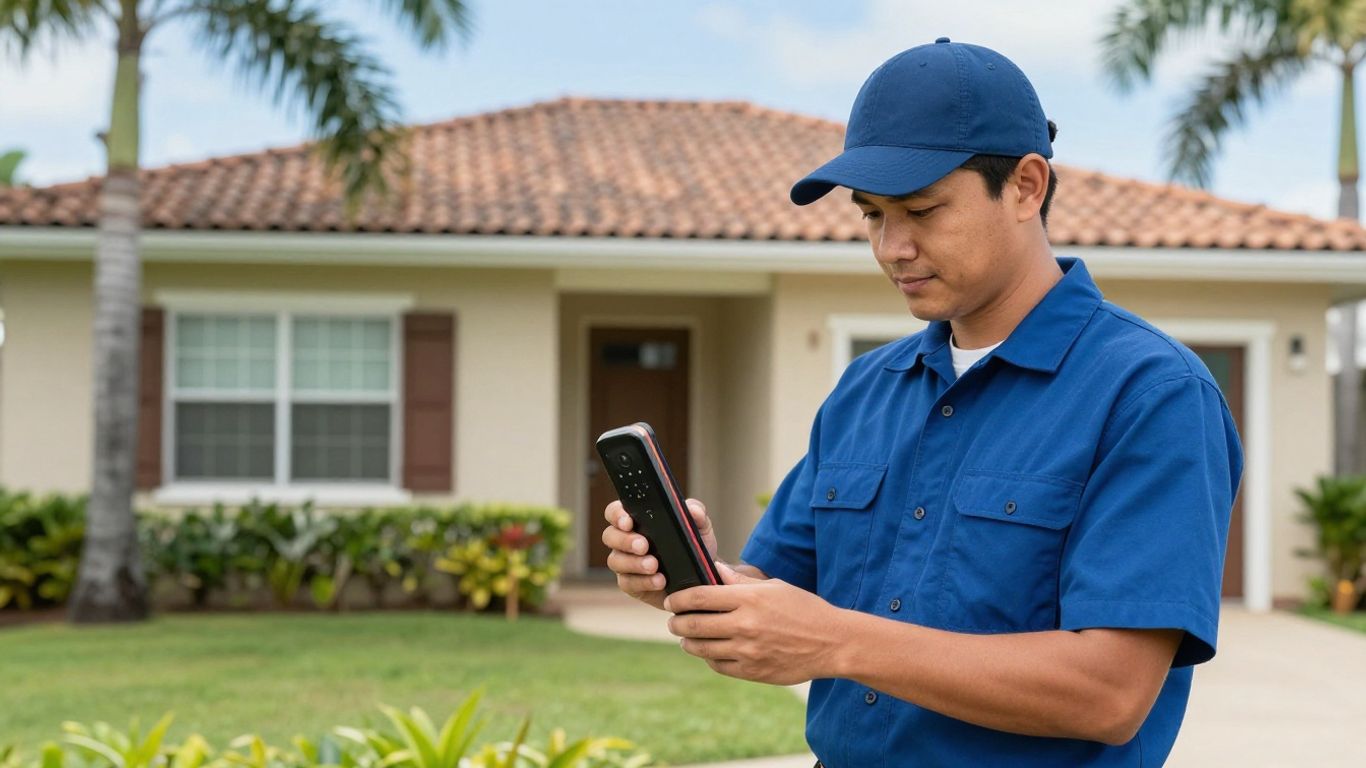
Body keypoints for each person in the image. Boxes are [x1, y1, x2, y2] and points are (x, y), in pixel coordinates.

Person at [602, 37, 1242, 767]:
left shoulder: (1151, 394)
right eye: (871, 215)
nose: (891, 247)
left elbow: (1110, 693)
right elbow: (785, 591)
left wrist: (840, 642)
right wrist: (703, 583)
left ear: (1028, 187)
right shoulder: (866, 388)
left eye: (921, 209)